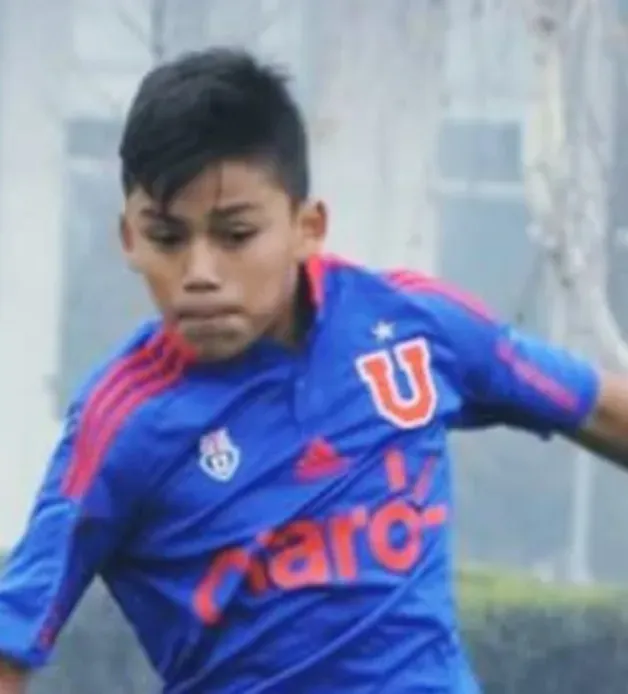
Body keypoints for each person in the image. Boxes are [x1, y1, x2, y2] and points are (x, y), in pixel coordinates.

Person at [0, 47, 626, 694]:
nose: (200, 273)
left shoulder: (412, 325)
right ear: (130, 239)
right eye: (167, 238)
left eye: (235, 234)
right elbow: (9, 644)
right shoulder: (120, 422)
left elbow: (597, 407)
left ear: (308, 226)